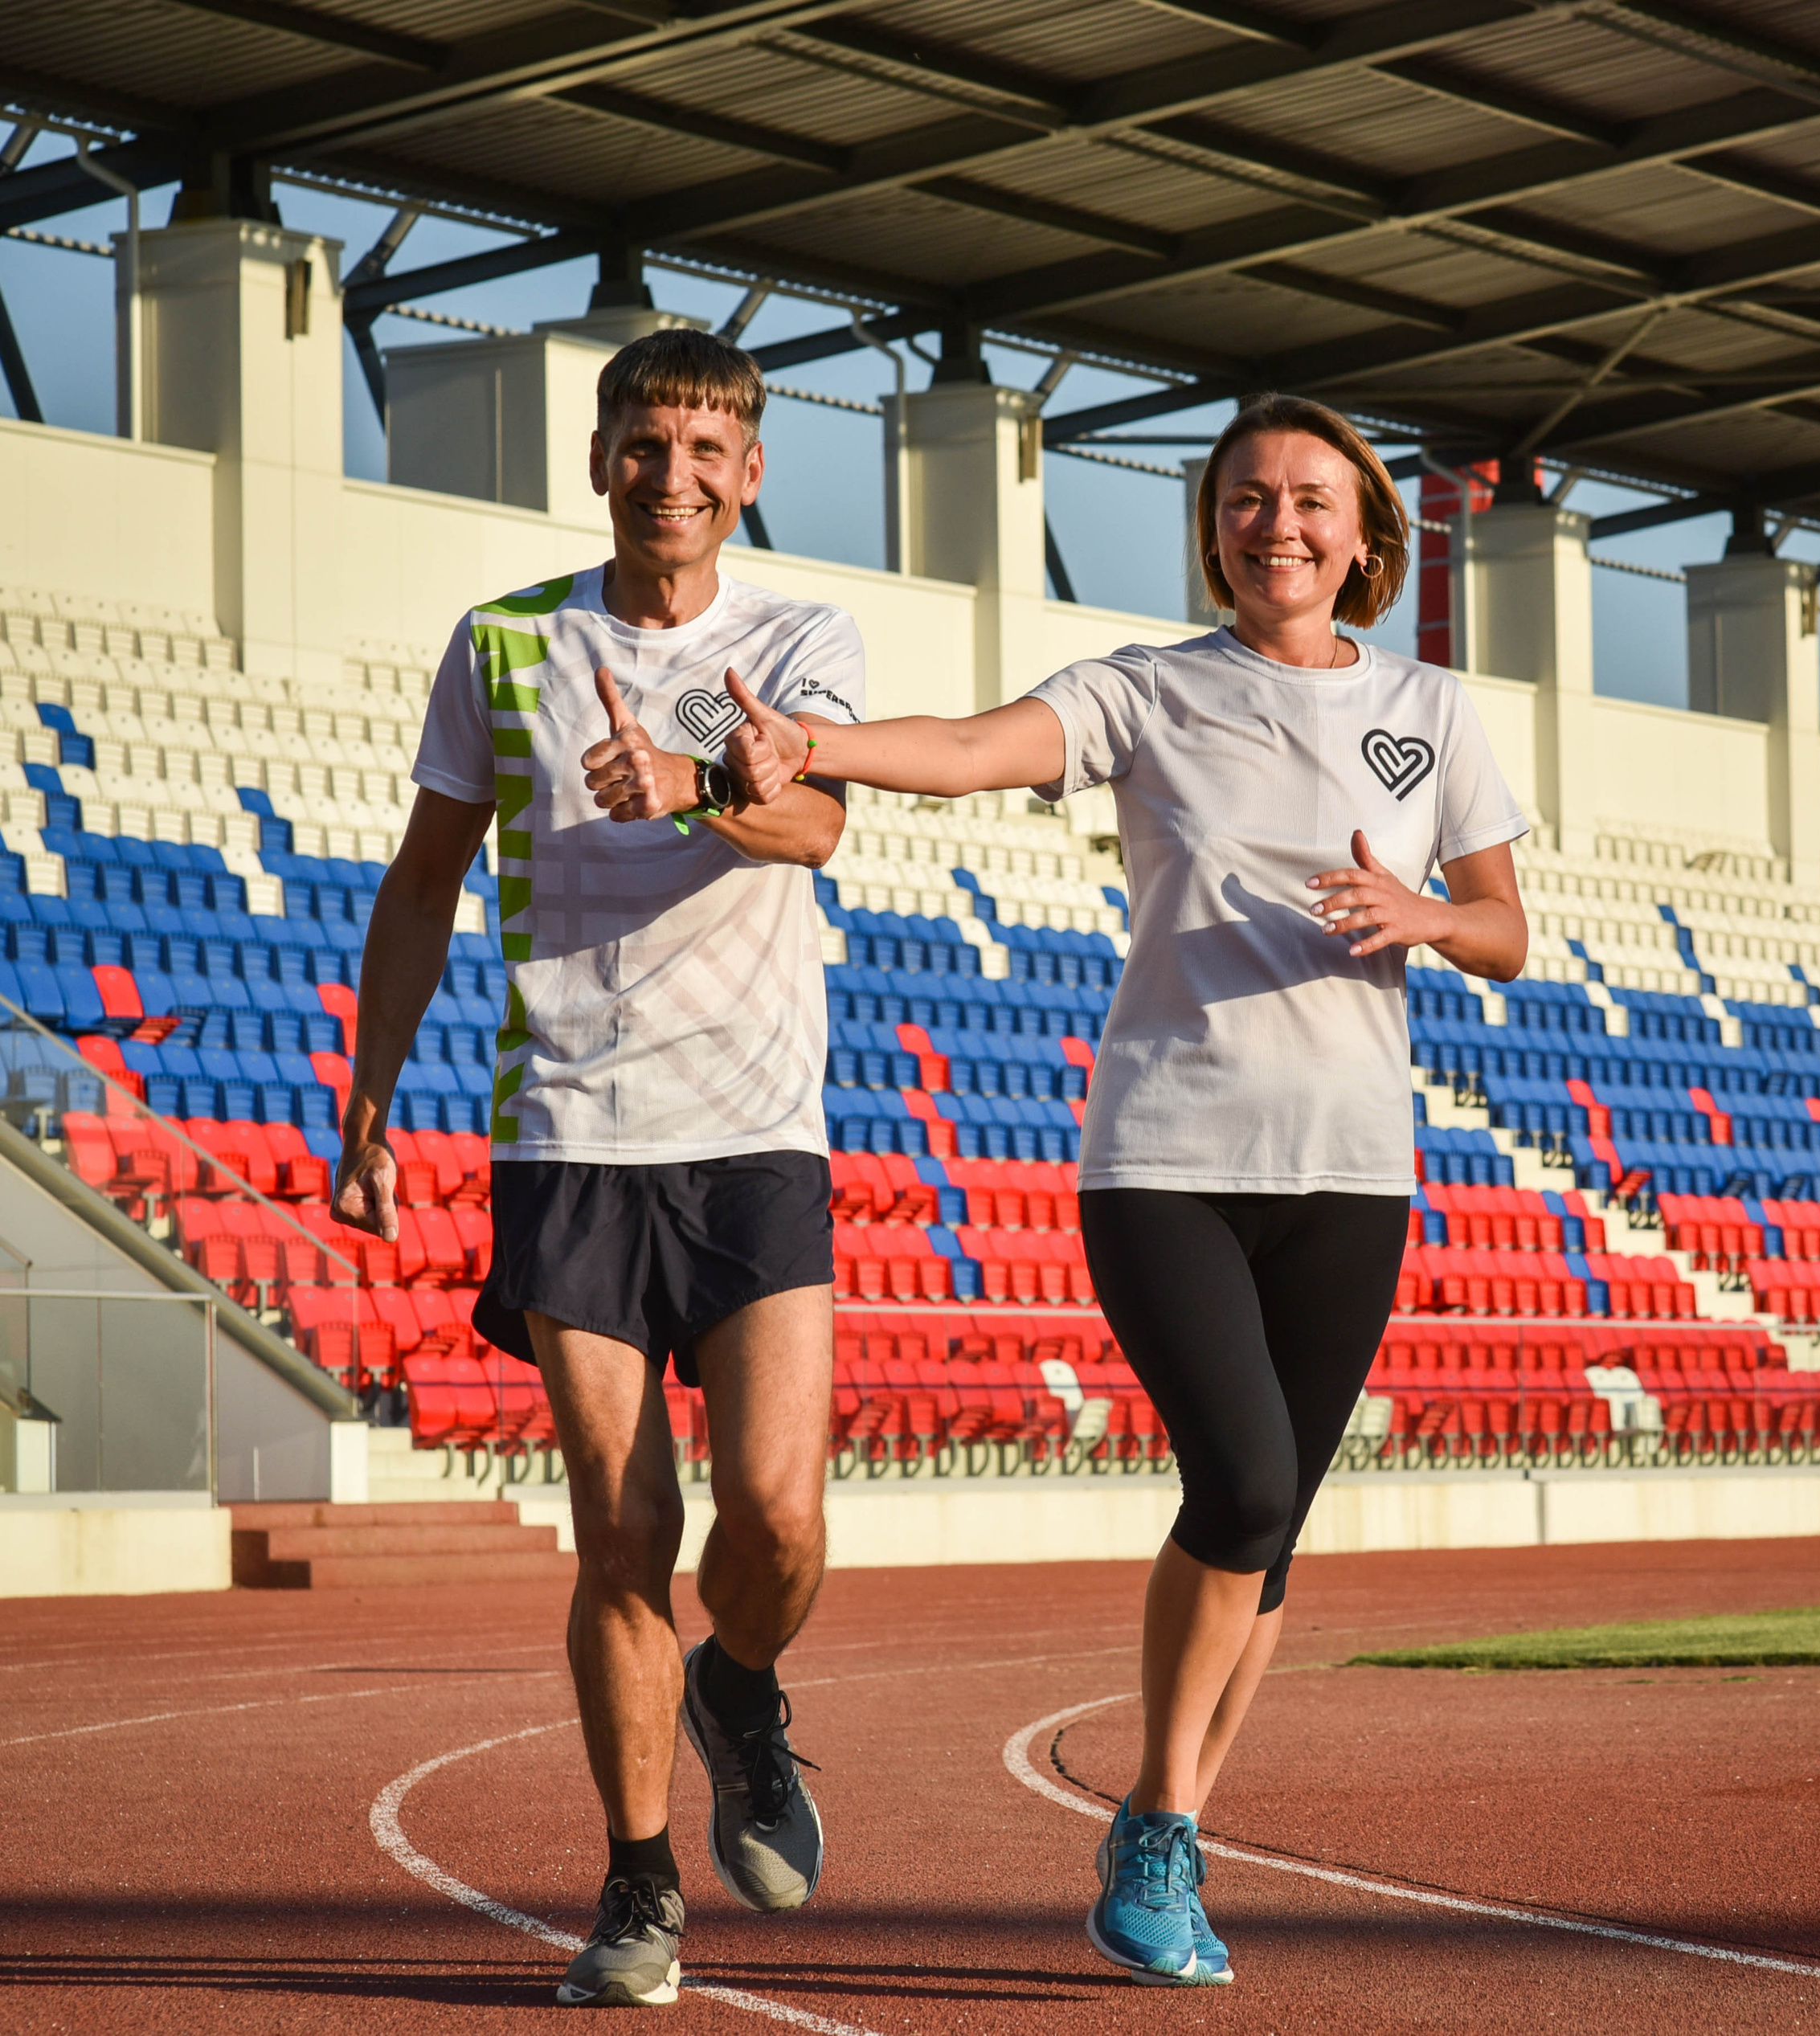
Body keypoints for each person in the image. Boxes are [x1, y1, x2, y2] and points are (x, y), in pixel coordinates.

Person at [722, 393, 1529, 1987]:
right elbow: (965, 750)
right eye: (1243, 498)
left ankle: (1165, 1829)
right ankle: (1156, 1826)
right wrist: (809, 743)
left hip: (1352, 1170)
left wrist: (1417, 916)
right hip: (1165, 1156)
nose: (1274, 522)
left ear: (1363, 533)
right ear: (1212, 526)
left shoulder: (1429, 707)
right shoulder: (1146, 691)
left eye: (1307, 499)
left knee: (1270, 1537)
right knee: (1237, 1486)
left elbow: (1504, 925)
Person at [332, 328, 863, 2009]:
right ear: (598, 460)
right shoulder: (503, 644)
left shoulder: (799, 636)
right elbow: (423, 884)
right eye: (645, 444)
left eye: (707, 448)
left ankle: (744, 1685)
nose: (674, 476)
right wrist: (366, 1105)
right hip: (569, 1131)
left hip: (758, 1130)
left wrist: (699, 780)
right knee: (622, 1529)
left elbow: (818, 824)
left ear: (750, 473)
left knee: (775, 1519)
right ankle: (638, 1881)